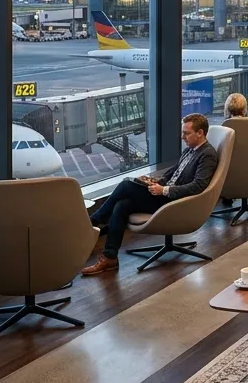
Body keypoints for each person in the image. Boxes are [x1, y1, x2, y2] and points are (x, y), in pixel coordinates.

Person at [83, 114, 219, 275]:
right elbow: (175, 172)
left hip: (176, 202)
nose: (182, 137)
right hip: (165, 194)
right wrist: (157, 181)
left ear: (200, 133)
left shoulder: (207, 155)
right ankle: (110, 257)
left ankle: (92, 222)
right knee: (121, 205)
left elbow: (198, 186)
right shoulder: (191, 149)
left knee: (126, 184)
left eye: (186, 133)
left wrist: (164, 190)